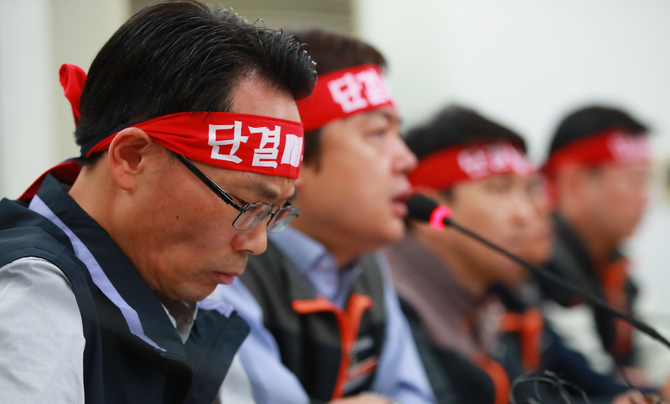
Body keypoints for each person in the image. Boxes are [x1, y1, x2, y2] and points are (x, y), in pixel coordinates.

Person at [0, 1, 316, 403]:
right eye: (244, 203)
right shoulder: (31, 294)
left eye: (274, 213)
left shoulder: (195, 301)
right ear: (132, 158)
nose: (257, 243)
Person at [207, 29, 436, 404]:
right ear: (294, 156)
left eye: (399, 133)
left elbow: (414, 395)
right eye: (378, 133)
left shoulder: (367, 264)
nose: (407, 159)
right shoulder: (232, 264)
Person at [384, 106, 647, 404]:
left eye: (529, 190)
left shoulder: (495, 293)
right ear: (431, 213)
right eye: (499, 190)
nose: (530, 212)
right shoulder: (392, 303)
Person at [538, 106, 659, 382]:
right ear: (575, 182)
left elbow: (651, 356)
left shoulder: (613, 261)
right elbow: (588, 381)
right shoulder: (542, 263)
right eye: (636, 180)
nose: (645, 199)